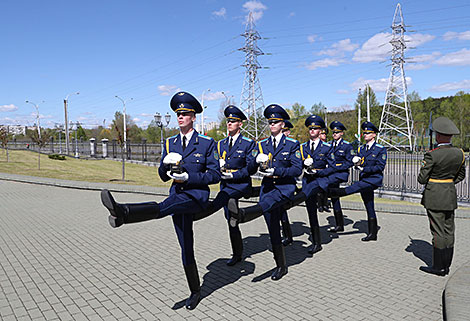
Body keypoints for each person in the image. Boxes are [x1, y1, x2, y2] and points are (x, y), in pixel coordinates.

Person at [100, 91, 220, 310]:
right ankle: (195, 291)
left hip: (195, 196)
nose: (181, 117)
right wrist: (165, 167)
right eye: (178, 114)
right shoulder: (170, 142)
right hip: (177, 194)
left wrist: (189, 177)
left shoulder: (206, 143)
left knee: (165, 207)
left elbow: (214, 175)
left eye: (185, 114)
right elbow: (163, 176)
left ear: (194, 117)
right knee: (186, 248)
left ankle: (124, 213)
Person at [228, 104, 302, 280]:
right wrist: (255, 161)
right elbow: (251, 168)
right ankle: (281, 265)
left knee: (266, 206)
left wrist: (276, 171)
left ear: (283, 124)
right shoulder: (261, 145)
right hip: (267, 188)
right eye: (270, 122)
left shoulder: (292, 144)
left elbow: (297, 169)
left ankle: (244, 214)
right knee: (272, 228)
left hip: (284, 188)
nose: (272, 125)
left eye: (275, 122)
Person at [193, 105, 257, 266]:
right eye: (228, 121)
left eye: (233, 121)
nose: (229, 124)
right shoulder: (220, 144)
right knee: (230, 219)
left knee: (228, 205)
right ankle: (237, 252)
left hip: (240, 184)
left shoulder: (248, 143)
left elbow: (250, 168)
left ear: (240, 124)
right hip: (225, 184)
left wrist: (234, 174)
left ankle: (237, 248)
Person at [418, 117, 465, 276]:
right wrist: (447, 183)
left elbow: (422, 179)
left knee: (437, 231)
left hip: (435, 196)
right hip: (450, 195)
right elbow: (461, 176)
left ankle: (438, 268)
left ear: (438, 135)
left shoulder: (432, 155)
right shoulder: (459, 153)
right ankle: (447, 266)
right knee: (449, 230)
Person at [329, 121, 386, 241]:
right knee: (369, 205)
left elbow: (380, 167)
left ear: (374, 135)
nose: (365, 135)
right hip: (364, 178)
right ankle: (373, 233)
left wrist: (364, 167)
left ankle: (340, 192)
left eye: (368, 133)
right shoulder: (361, 149)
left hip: (373, 179)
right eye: (364, 133)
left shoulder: (380, 149)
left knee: (356, 186)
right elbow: (358, 163)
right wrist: (357, 164)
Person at [298, 115, 332, 254]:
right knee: (311, 212)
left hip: (319, 181)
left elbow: (332, 167)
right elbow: (297, 165)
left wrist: (319, 172)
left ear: (320, 130)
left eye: (315, 128)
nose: (312, 130)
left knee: (314, 205)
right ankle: (316, 242)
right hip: (307, 180)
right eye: (310, 128)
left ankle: (317, 241)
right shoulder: (302, 147)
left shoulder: (327, 147)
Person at [325, 121, 354, 233]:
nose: (335, 134)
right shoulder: (329, 145)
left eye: (337, 132)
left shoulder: (347, 146)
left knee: (330, 190)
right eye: (333, 132)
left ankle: (323, 202)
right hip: (331, 173)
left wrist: (337, 167)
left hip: (340, 174)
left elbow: (349, 162)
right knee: (335, 198)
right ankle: (339, 225)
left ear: (342, 133)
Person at [280, 120, 294, 246]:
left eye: (285, 131)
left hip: (287, 183)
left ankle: (288, 235)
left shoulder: (291, 145)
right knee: (280, 211)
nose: (283, 133)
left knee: (282, 209)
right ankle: (287, 235)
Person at [317, 127, 331, 213]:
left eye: (325, 134)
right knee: (319, 188)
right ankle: (319, 205)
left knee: (326, 188)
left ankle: (325, 204)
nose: (324, 135)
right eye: (322, 134)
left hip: (326, 169)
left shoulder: (328, 145)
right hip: (319, 169)